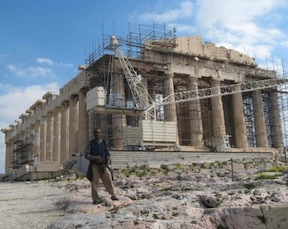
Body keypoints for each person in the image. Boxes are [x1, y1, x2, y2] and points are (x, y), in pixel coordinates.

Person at [85, 128, 118, 204]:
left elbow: (108, 154)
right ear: (93, 134)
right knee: (94, 182)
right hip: (94, 165)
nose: (97, 134)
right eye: (96, 133)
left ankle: (113, 195)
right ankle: (95, 199)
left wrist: (105, 161)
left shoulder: (104, 143)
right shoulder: (90, 143)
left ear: (101, 134)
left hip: (103, 165)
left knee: (108, 180)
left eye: (98, 133)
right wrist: (94, 158)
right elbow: (87, 155)